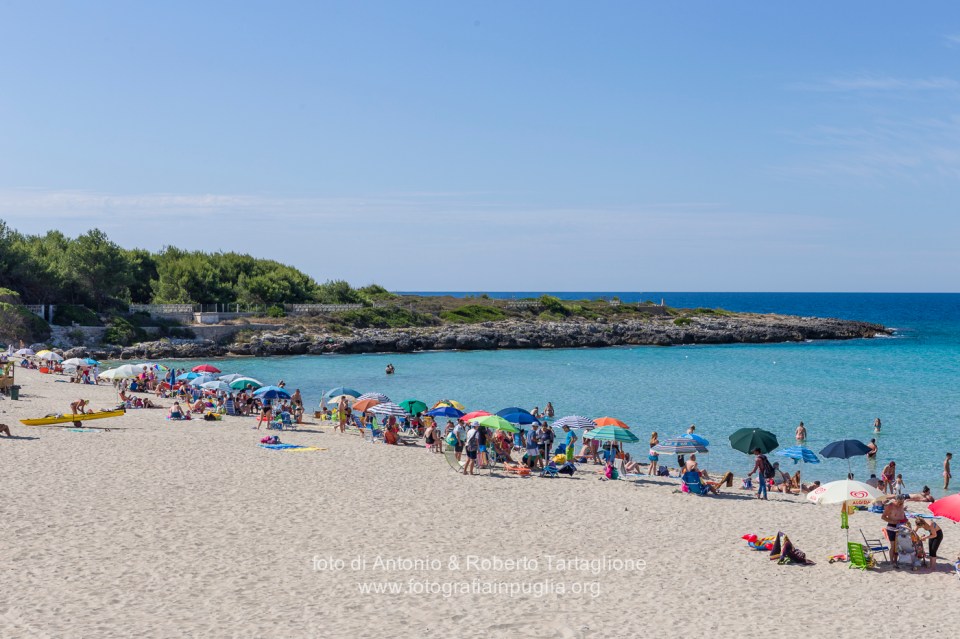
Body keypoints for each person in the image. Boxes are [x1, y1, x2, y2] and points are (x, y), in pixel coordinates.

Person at [882, 495, 908, 566]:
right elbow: (883, 517)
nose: (900, 504)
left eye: (902, 502)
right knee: (893, 546)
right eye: (899, 502)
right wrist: (892, 521)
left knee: (898, 546)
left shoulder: (902, 505)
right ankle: (891, 561)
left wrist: (905, 519)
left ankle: (895, 561)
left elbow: (902, 514)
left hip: (901, 526)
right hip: (891, 527)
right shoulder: (891, 506)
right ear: (896, 500)